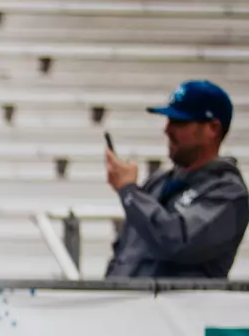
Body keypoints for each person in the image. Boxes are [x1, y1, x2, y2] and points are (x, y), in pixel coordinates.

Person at [105, 79, 249, 279]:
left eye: (179, 122)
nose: (167, 130)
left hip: (179, 300)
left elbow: (177, 242)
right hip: (128, 299)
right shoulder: (157, 182)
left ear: (213, 129)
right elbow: (124, 253)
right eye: (169, 120)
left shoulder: (228, 193)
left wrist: (129, 192)